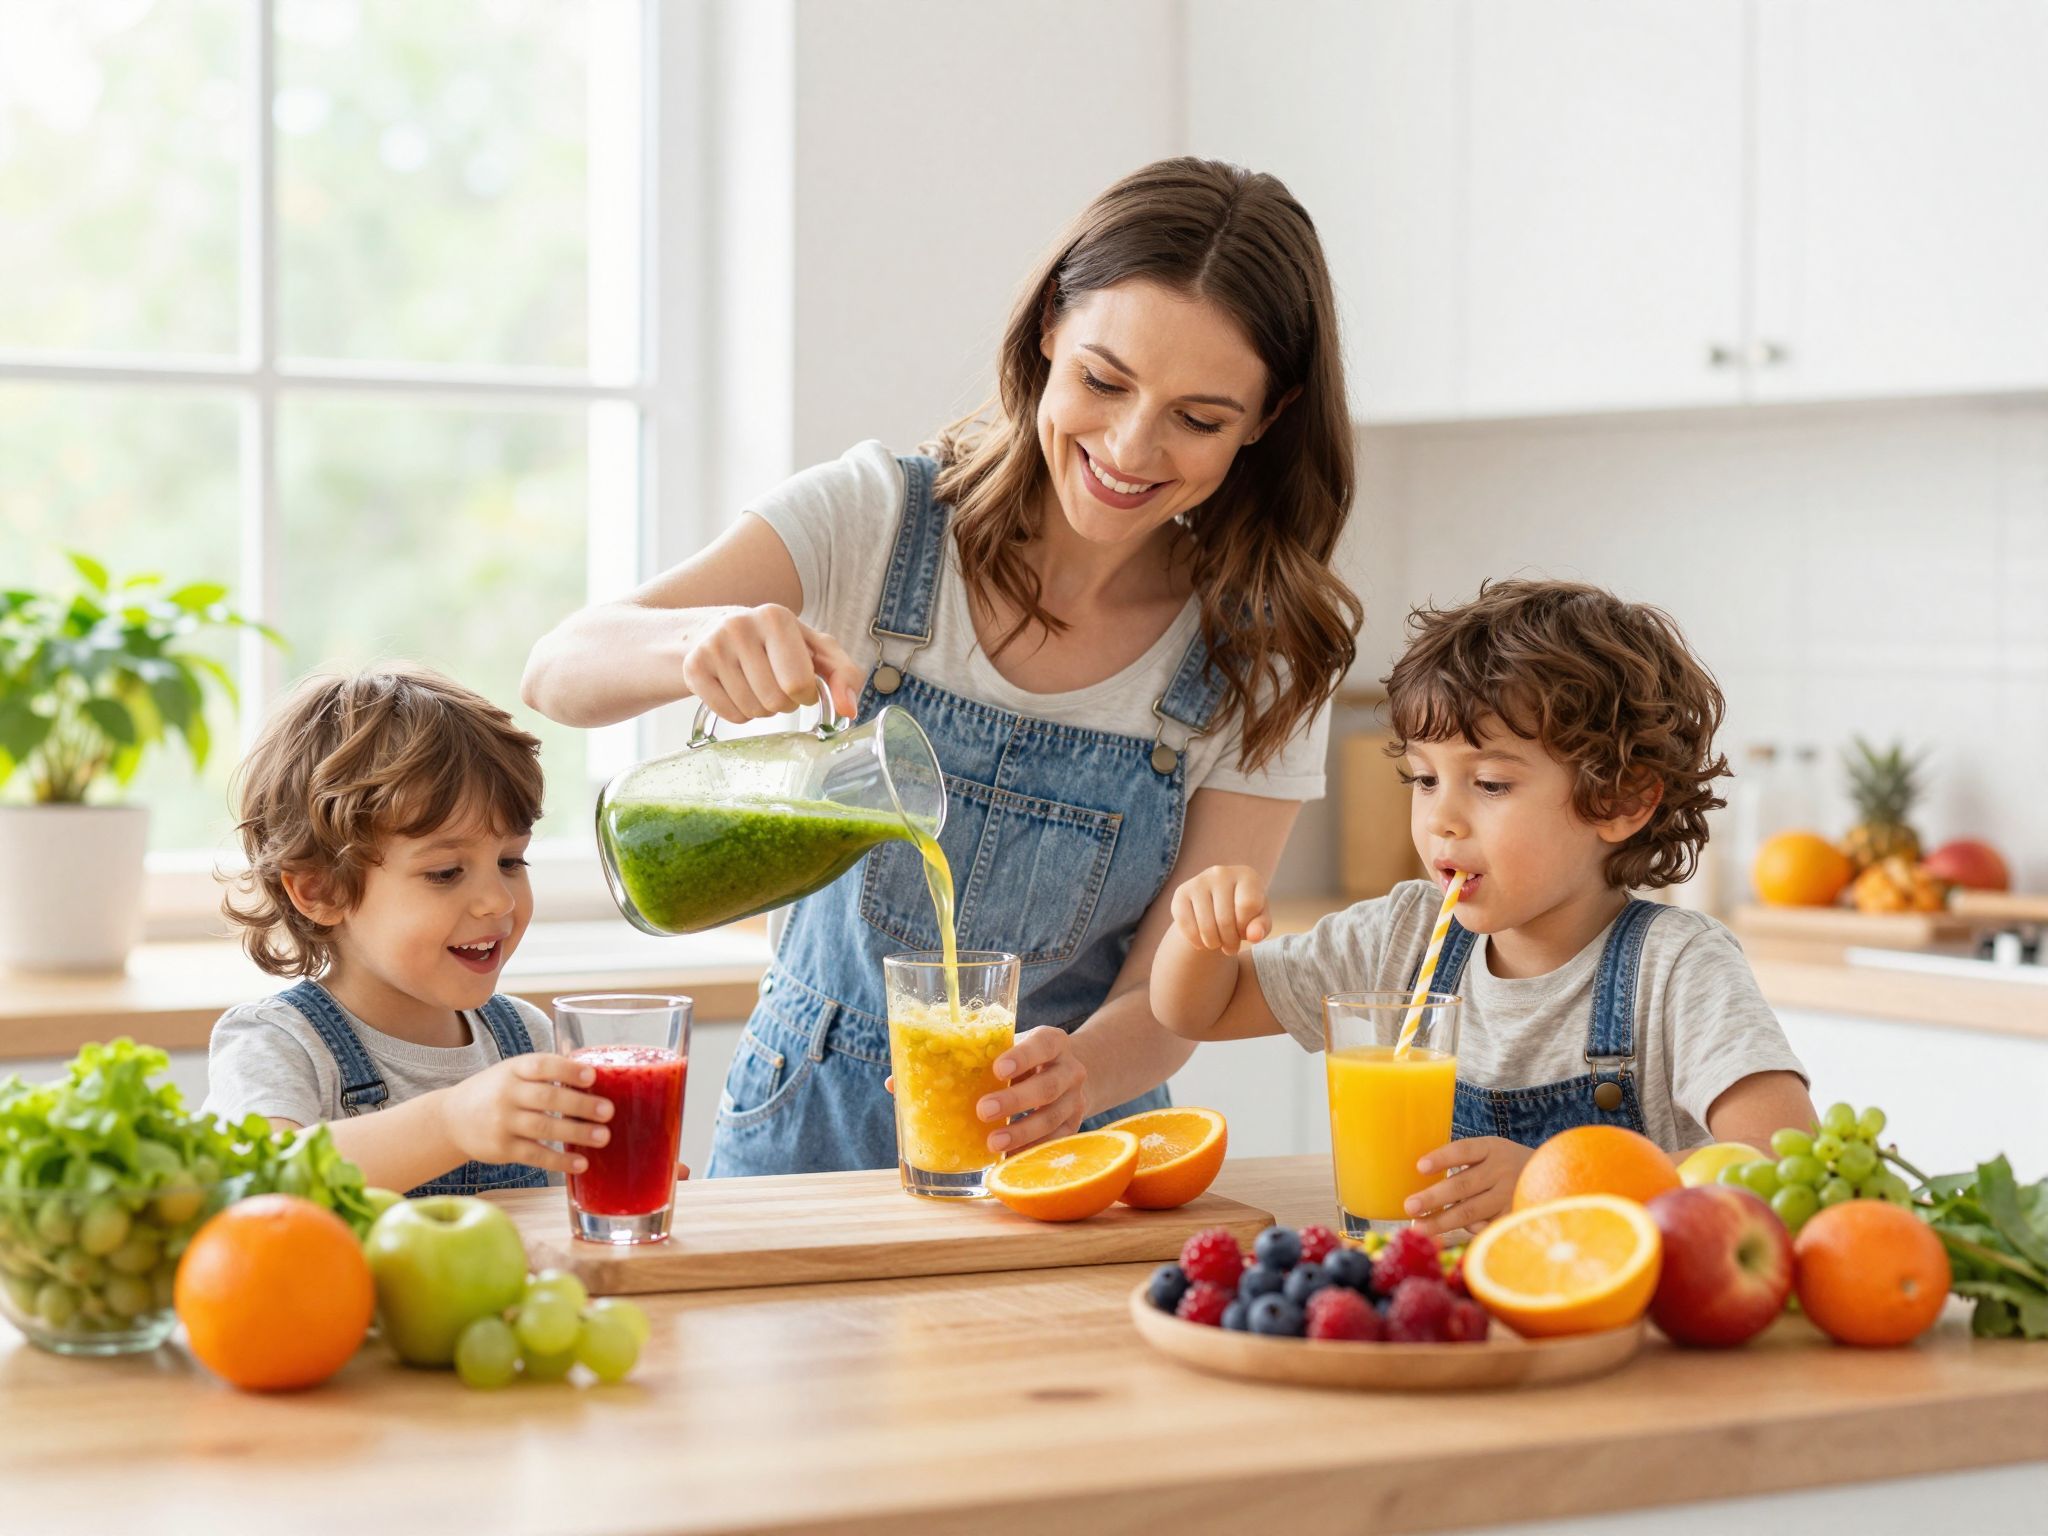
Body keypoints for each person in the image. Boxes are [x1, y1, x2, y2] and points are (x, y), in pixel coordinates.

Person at [523, 157, 1362, 1177]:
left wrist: (1081, 1074)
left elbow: (1167, 995)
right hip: (805, 1136)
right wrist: (688, 643)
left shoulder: (1261, 654)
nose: (1130, 446)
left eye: (1198, 418)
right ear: (1049, 327)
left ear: (1266, 419)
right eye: (1103, 379)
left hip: (1070, 1159)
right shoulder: (878, 523)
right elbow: (559, 669)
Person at [1151, 579, 1814, 1235]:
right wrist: (1200, 931)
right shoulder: (1402, 937)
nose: (1442, 818)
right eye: (1424, 779)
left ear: (1620, 800)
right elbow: (1195, 1010)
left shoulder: (1676, 968)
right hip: (1436, 1313)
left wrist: (1557, 1184)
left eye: (1491, 784)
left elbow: (1784, 1160)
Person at [204, 664, 619, 1195]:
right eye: (445, 873)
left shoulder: (527, 1040)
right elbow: (261, 1184)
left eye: (512, 862)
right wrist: (449, 1123)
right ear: (321, 891)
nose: (498, 899)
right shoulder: (277, 1045)